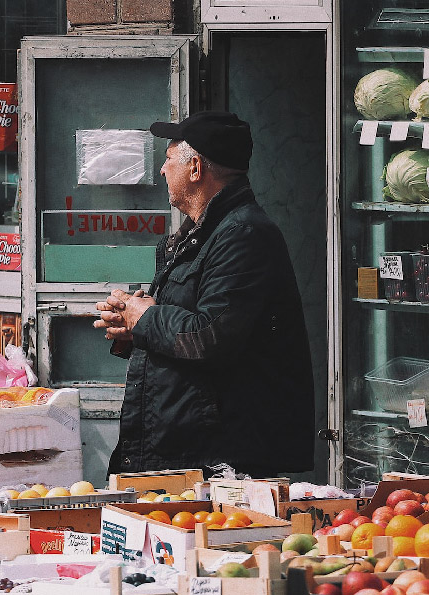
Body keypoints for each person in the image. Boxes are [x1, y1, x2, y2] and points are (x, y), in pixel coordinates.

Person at [94, 111, 315, 478]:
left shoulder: (243, 235)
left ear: (195, 168)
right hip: (185, 446)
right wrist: (133, 326)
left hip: (219, 457)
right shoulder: (199, 235)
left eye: (168, 159)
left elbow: (209, 334)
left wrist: (145, 316)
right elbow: (186, 326)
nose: (161, 170)